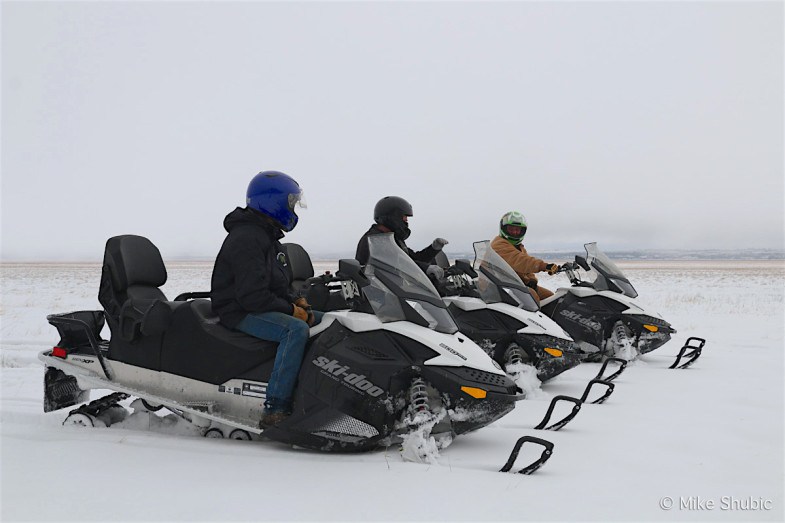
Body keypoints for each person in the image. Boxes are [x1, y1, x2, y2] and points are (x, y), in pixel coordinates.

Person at [211, 170, 322, 428]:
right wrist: (291, 311)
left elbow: (277, 283)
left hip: (255, 303)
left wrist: (299, 302)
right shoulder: (247, 238)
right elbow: (252, 296)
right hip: (238, 310)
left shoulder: (268, 237)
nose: (294, 208)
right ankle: (276, 407)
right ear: (273, 202)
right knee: (294, 330)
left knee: (327, 320)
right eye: (291, 203)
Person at [355, 196, 448, 279]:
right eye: (404, 216)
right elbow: (395, 263)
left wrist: (434, 248)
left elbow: (412, 259)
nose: (406, 220)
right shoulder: (374, 240)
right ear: (393, 217)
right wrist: (425, 268)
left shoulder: (392, 239)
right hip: (379, 294)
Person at [490, 211, 560, 302]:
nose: (515, 232)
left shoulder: (519, 247)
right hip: (498, 286)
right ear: (503, 228)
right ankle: (533, 316)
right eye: (511, 229)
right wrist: (543, 266)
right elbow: (521, 261)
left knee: (550, 297)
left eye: (518, 230)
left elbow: (526, 269)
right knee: (532, 297)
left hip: (514, 284)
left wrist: (531, 280)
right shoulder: (499, 245)